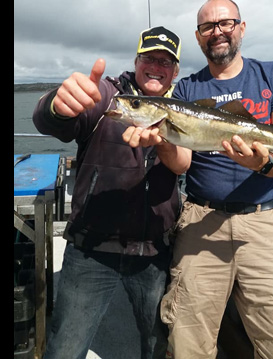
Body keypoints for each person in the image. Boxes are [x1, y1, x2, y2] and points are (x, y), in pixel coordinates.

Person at [122, 0, 273, 359]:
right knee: (188, 342)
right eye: (208, 26)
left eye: (226, 23)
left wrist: (263, 164)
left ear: (241, 27)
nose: (218, 32)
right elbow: (180, 164)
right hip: (200, 218)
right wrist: (161, 140)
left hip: (264, 220)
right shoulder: (188, 89)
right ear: (198, 36)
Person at [32, 26, 185, 359]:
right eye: (149, 58)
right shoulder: (107, 95)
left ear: (175, 71)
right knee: (66, 348)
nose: (156, 66)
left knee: (156, 344)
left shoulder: (181, 111)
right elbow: (53, 119)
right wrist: (57, 105)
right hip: (91, 250)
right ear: (136, 60)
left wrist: (164, 143)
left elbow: (183, 164)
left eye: (165, 61)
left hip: (153, 253)